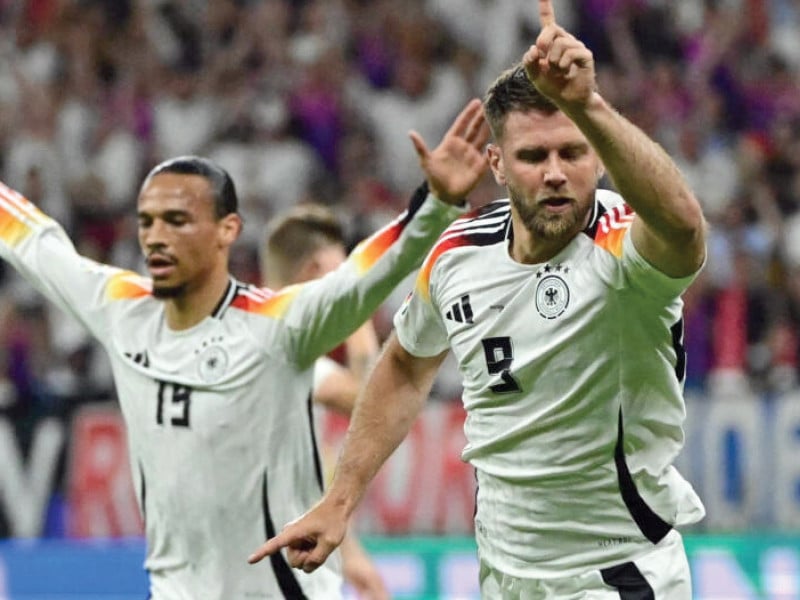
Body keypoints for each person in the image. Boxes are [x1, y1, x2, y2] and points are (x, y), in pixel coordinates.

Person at [249, 1, 708, 598]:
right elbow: (407, 365)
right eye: (533, 156)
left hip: (615, 574)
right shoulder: (459, 254)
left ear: (596, 155)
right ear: (496, 163)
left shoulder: (623, 248)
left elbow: (684, 232)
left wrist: (588, 104)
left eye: (572, 152)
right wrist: (341, 500)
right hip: (502, 572)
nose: (555, 173)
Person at [0, 96, 490, 598]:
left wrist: (434, 206)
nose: (156, 238)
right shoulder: (122, 310)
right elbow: (37, 243)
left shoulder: (276, 327)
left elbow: (362, 274)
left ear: (227, 230)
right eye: (147, 222)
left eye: (177, 220)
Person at [261, 203, 388, 599]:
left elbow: (304, 485)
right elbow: (373, 403)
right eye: (342, 268)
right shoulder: (276, 352)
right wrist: (353, 303)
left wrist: (350, 554)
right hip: (278, 570)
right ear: (317, 271)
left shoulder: (251, 336)